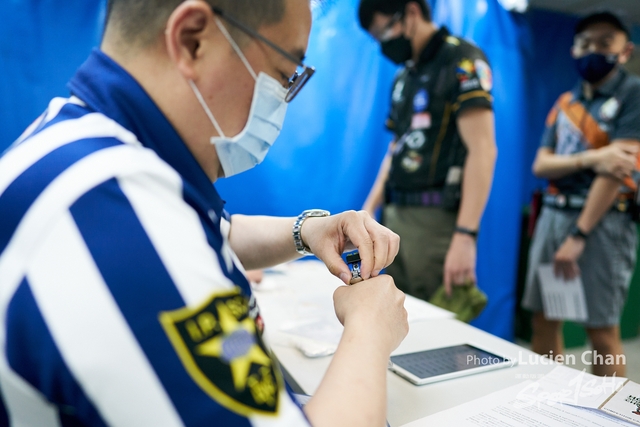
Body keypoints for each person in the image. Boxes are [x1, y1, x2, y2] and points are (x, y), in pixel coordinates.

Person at [0, 0, 409, 425]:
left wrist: (307, 231)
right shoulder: (114, 220)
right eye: (284, 73)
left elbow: (205, 232)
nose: (283, 101)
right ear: (193, 39)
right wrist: (369, 331)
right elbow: (154, 246)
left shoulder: (81, 143)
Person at [522, 11, 640, 377]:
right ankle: (548, 408)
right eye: (585, 42)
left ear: (626, 50)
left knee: (601, 331)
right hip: (553, 218)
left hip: (601, 226)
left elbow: (617, 170)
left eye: (605, 42)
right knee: (545, 317)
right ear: (573, 49)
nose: (593, 49)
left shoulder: (633, 94)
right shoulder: (565, 103)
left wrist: (579, 235)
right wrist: (593, 156)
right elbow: (541, 166)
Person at [358, 0, 497, 302]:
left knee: (432, 330)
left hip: (435, 220)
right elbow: (397, 146)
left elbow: (483, 150)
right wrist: (369, 208)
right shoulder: (404, 76)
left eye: (384, 32)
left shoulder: (462, 60)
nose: (384, 44)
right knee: (391, 318)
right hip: (394, 216)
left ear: (410, 12)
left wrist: (465, 235)